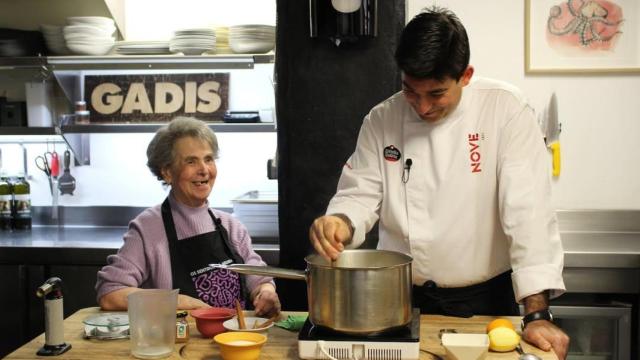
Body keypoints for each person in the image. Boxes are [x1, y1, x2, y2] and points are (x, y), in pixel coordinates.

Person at [309, 6, 569, 359]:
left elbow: (528, 214)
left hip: (486, 301)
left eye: (436, 94)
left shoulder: (504, 110)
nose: (421, 107)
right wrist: (338, 222)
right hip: (400, 301)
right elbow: (359, 194)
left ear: (465, 76)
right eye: (411, 92)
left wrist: (537, 314)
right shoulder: (382, 119)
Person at [96, 116, 281, 317]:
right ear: (167, 172)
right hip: (177, 342)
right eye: (191, 161)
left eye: (208, 159)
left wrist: (266, 292)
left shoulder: (230, 225)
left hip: (235, 339)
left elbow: (258, 278)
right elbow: (110, 293)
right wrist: (174, 301)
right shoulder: (147, 228)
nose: (204, 170)